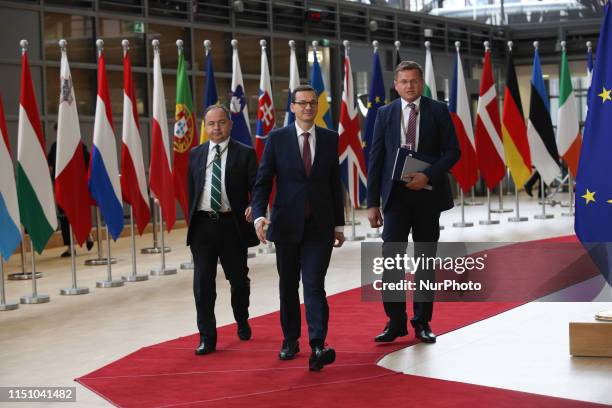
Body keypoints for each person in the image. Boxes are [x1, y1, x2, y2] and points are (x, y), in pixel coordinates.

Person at [251, 85, 345, 371]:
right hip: (286, 226)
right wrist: (258, 216)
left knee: (314, 283)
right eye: (302, 103)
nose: (307, 107)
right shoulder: (277, 139)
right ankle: (290, 339)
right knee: (288, 285)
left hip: (320, 227)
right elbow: (263, 181)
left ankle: (318, 343)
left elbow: (333, 184)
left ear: (317, 107)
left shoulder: (330, 139)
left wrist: (339, 224)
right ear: (291, 107)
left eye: (312, 103)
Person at [366, 61, 460, 344]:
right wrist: (372, 203)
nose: (409, 86)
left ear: (422, 83)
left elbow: (453, 152)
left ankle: (422, 322)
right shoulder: (384, 114)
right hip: (395, 197)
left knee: (425, 260)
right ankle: (395, 321)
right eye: (404, 81)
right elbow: (376, 158)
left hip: (427, 195)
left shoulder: (438, 110)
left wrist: (426, 174)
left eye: (414, 81)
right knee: (391, 259)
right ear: (396, 84)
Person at [186, 105, 259, 355]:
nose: (216, 128)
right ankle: (207, 337)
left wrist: (254, 206)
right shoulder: (195, 154)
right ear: (205, 127)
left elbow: (257, 187)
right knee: (203, 283)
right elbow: (191, 190)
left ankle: (242, 318)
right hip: (203, 226)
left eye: (221, 123)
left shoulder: (245, 154)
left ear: (230, 124)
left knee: (238, 281)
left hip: (232, 226)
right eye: (211, 124)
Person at [47, 123, 93, 257]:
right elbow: (50, 165)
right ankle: (70, 247)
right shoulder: (55, 147)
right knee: (64, 218)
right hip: (61, 188)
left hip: (76, 188)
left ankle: (87, 236)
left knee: (78, 214)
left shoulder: (78, 147)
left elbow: (89, 163)